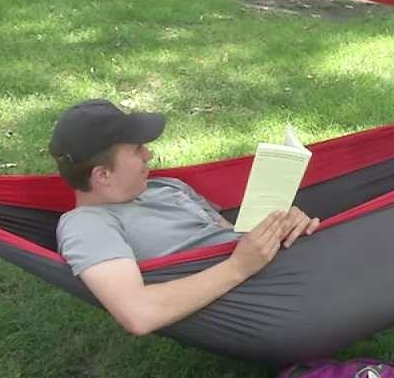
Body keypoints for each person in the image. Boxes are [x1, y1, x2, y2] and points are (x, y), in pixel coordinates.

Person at [49, 99, 320, 336]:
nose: (149, 155)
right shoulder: (87, 225)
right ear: (102, 175)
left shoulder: (166, 186)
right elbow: (138, 314)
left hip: (290, 261)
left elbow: (233, 234)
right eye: (137, 149)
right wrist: (239, 266)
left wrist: (281, 226)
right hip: (271, 292)